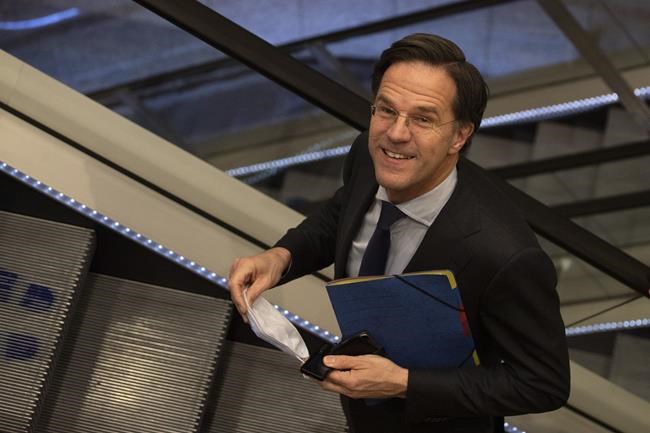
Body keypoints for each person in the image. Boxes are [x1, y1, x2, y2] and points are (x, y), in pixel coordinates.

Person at [229, 33, 570, 433]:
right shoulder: (367, 154)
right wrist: (281, 257)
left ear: (460, 136)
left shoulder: (504, 254)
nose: (395, 133)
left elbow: (543, 383)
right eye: (387, 110)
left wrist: (403, 383)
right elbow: (340, 215)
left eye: (423, 119)